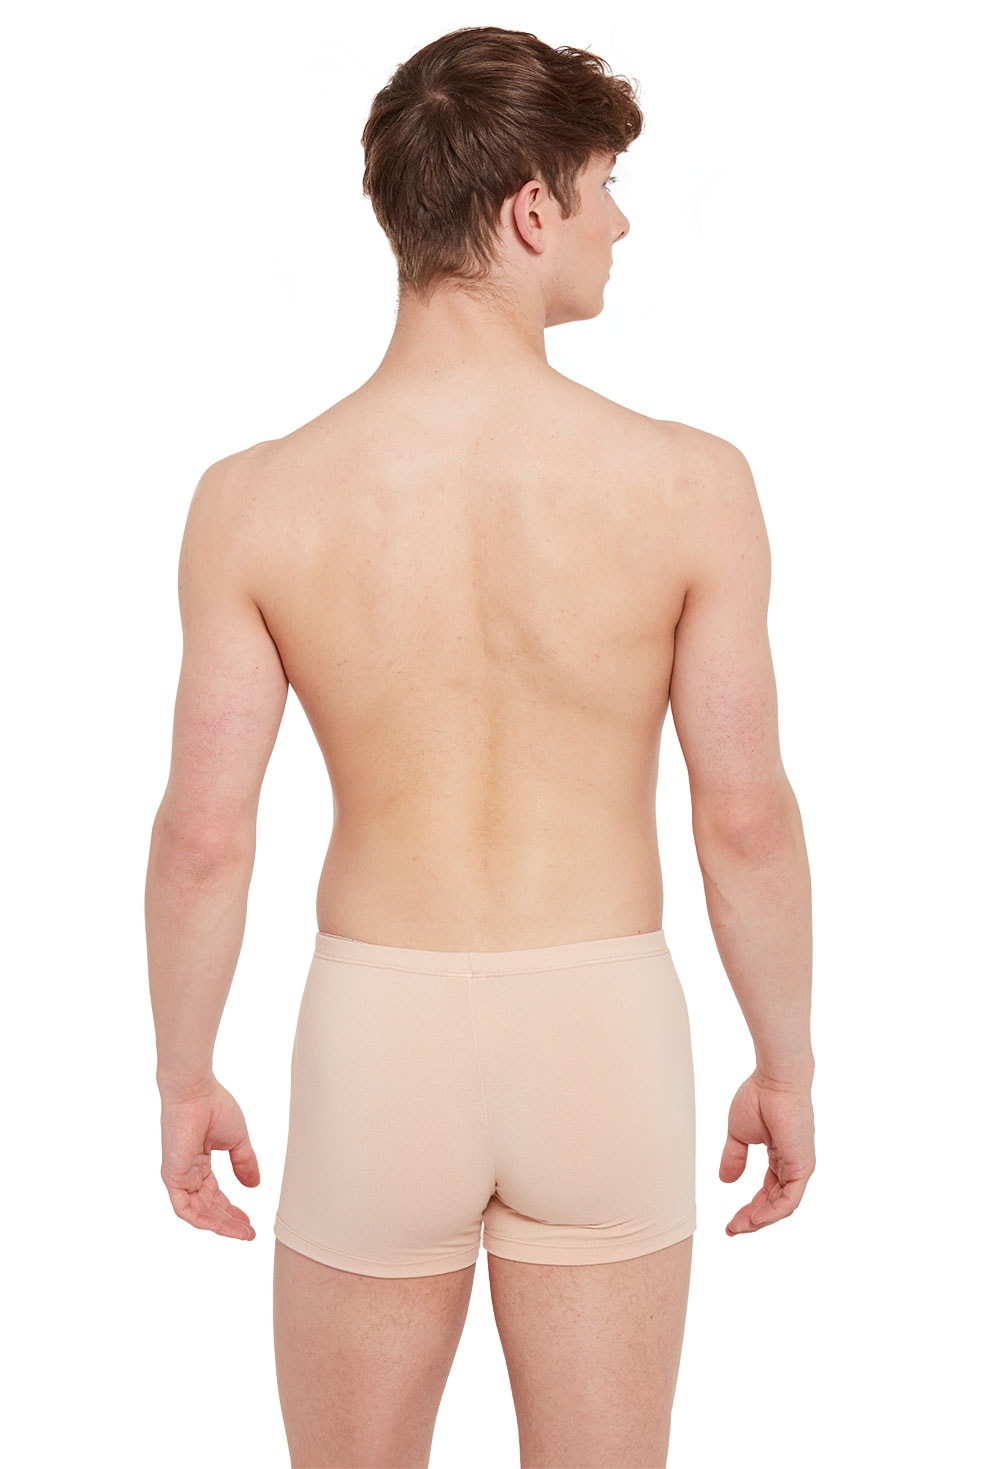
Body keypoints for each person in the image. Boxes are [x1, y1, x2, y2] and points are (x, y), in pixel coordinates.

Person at [145, 24, 815, 1469]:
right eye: (604, 186)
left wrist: (184, 1075)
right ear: (529, 210)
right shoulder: (690, 487)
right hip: (604, 1030)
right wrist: (786, 1062)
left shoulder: (256, 502)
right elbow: (746, 815)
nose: (622, 222)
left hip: (376, 1036)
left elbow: (204, 833)